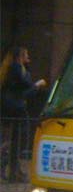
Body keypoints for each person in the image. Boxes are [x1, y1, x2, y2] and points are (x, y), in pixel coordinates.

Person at [0, 46, 47, 182]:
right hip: (15, 109)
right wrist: (37, 85)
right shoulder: (16, 69)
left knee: (17, 139)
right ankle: (5, 163)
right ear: (20, 56)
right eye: (26, 54)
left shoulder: (19, 69)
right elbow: (25, 91)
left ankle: (14, 171)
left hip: (15, 108)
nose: (28, 57)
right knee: (20, 138)